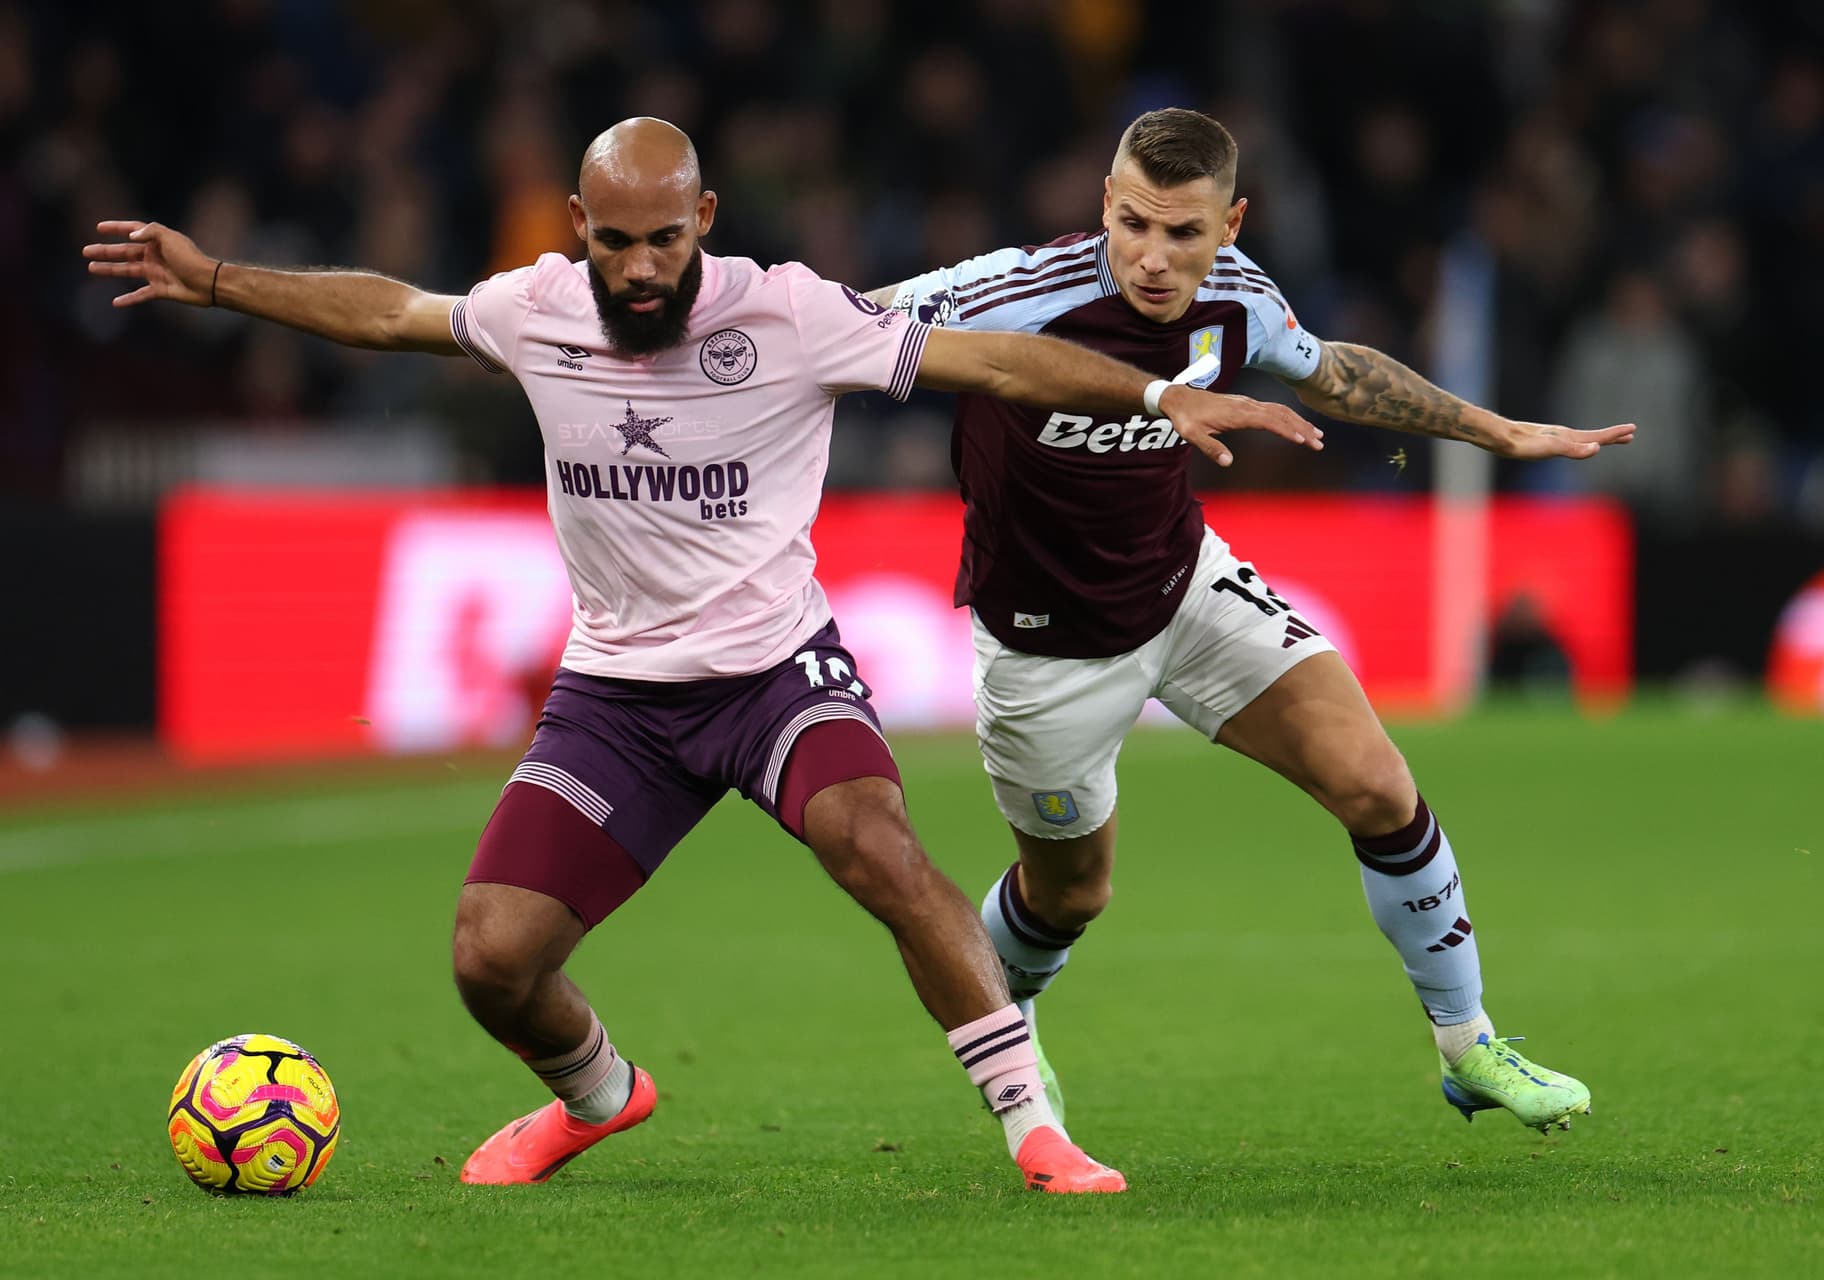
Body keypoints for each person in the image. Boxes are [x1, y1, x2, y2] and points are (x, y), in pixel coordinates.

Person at [84, 117, 1319, 1193]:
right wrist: (221, 282)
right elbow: (395, 312)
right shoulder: (534, 308)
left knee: (878, 845)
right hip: (616, 699)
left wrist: (1156, 400)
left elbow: (995, 357)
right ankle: (599, 1091)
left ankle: (1036, 1129)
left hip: (776, 674)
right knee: (490, 957)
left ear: (704, 219)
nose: (638, 267)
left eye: (663, 239)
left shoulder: (788, 311)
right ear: (577, 227)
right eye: (613, 241)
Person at [868, 108, 1636, 1134]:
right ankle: (1009, 1030)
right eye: (1133, 223)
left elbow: (1335, 371)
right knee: (1069, 895)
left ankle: (1469, 1043)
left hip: (1186, 589)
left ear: (1230, 223)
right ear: (1105, 202)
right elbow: (827, 326)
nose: (1152, 257)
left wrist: (1492, 429)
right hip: (1046, 642)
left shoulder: (1239, 299)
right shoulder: (1007, 292)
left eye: (1183, 233)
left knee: (1377, 782)